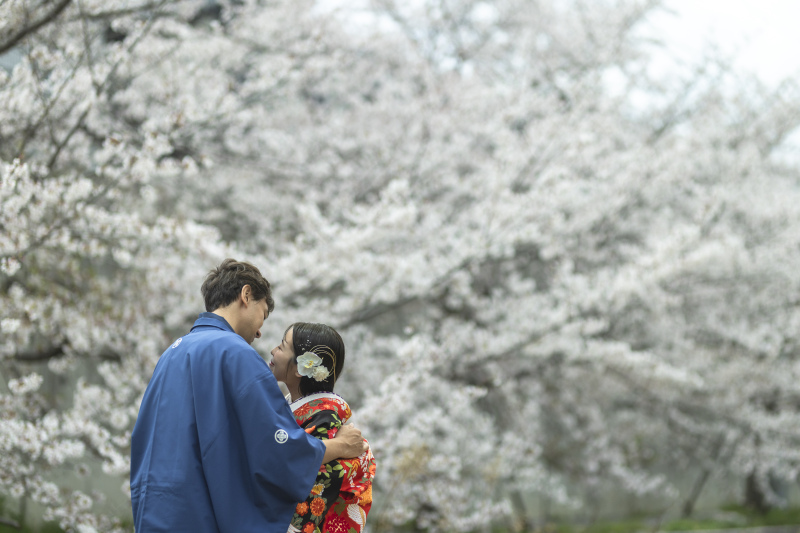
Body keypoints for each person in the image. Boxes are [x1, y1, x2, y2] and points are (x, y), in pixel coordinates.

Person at [130, 259, 366, 533]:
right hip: (200, 514)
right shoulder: (235, 353)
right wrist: (340, 446)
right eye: (262, 314)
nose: (259, 331)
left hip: (158, 510)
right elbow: (275, 445)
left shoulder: (171, 353)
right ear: (246, 295)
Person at [268, 322, 376, 533]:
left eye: (282, 346)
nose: (273, 350)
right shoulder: (302, 406)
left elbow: (322, 479)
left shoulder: (325, 415)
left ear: (302, 367)